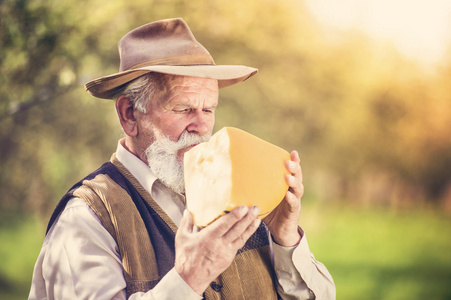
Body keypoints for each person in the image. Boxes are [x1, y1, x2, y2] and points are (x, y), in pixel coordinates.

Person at [29, 18, 335, 300]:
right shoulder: (85, 218)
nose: (201, 126)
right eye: (183, 109)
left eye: (208, 109)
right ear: (129, 114)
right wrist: (188, 278)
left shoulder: (243, 194)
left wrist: (286, 240)